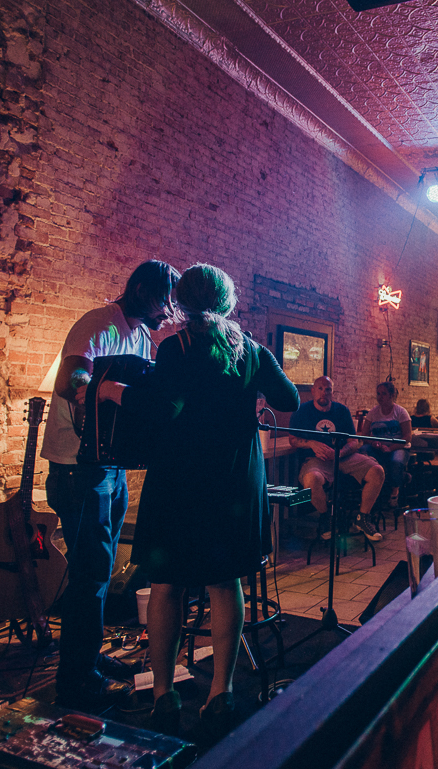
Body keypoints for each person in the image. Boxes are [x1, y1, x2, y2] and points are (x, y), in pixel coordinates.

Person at [97, 264, 298, 738]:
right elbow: (287, 397)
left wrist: (112, 390)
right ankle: (220, 695)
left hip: (180, 481)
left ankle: (164, 694)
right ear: (227, 303)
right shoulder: (250, 348)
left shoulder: (175, 347)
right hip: (233, 482)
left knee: (167, 584)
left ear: (181, 304)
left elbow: (162, 408)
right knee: (224, 583)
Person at [41, 260, 179, 711]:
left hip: (109, 470)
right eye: (164, 300)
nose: (168, 311)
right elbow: (72, 377)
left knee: (98, 572)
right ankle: (76, 680)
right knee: (90, 576)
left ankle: (89, 661)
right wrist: (87, 393)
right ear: (140, 289)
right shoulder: (98, 324)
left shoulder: (140, 335)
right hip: (78, 471)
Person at [289, 376, 385, 542]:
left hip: (343, 457)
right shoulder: (302, 411)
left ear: (332, 392)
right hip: (316, 460)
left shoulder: (341, 410)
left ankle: (362, 518)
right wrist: (311, 443)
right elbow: (292, 440)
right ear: (312, 391)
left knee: (377, 471)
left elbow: (354, 441)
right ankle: (326, 517)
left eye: (328, 390)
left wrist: (340, 452)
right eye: (320, 388)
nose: (324, 393)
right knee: (311, 480)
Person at [359, 381, 411, 491]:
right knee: (362, 452)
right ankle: (368, 487)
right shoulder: (373, 412)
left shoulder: (401, 412)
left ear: (392, 395)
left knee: (396, 462)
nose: (380, 397)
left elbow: (407, 437)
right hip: (377, 447)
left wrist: (390, 448)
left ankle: (394, 492)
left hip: (398, 447)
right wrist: (373, 443)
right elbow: (364, 435)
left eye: (383, 394)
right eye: (378, 394)